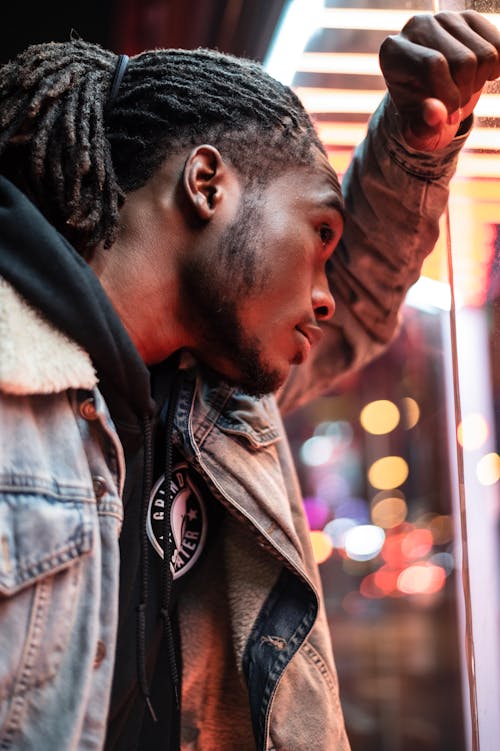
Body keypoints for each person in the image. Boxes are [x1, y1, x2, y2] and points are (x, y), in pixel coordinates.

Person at [0, 9, 498, 751]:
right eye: (321, 233)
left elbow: (356, 298)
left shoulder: (211, 398)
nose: (326, 293)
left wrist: (416, 147)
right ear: (206, 183)